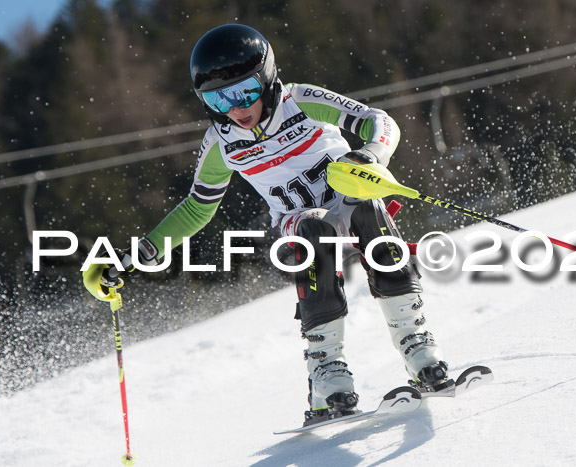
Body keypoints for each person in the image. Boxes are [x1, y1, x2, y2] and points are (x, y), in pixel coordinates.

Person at [84, 24, 452, 425]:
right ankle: (326, 371)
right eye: (218, 99)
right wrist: (136, 256)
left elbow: (378, 121)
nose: (236, 109)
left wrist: (369, 155)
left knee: (366, 206)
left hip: (352, 201)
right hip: (301, 228)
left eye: (244, 92)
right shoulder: (219, 144)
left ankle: (415, 343)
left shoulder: (300, 100)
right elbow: (196, 209)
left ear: (268, 79)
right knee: (315, 226)